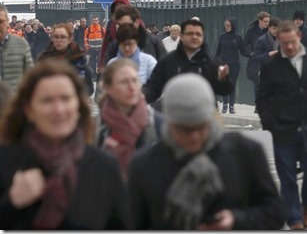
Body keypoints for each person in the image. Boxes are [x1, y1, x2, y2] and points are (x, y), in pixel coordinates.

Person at [128, 73, 285, 229]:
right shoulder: (145, 166)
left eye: (201, 127)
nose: (194, 137)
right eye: (185, 130)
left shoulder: (244, 153)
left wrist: (236, 220)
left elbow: (275, 213)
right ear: (169, 123)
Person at [0, 60, 131, 228]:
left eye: (66, 99)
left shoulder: (104, 167)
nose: (59, 109)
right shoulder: (6, 161)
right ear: (29, 109)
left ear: (78, 106)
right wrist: (12, 204)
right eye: (47, 101)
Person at [256, 21, 307, 230]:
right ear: (278, 41)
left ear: (298, 36)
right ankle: (294, 219)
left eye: (291, 42)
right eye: (283, 43)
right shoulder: (272, 65)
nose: (288, 47)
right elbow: (262, 98)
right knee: (287, 178)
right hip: (284, 130)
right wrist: (269, 123)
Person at [95, 58, 162, 179]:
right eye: (124, 82)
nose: (132, 87)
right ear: (108, 87)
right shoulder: (95, 127)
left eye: (135, 81)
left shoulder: (158, 124)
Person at [143, 18, 233, 107]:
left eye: (198, 34)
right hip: (176, 113)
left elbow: (225, 90)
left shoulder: (211, 62)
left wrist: (223, 79)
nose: (194, 37)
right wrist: (142, 96)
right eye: (190, 33)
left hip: (204, 115)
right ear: (181, 36)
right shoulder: (167, 61)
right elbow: (153, 88)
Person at [37, 23, 92, 97]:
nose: (59, 40)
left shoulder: (79, 58)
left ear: (69, 39)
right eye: (56, 37)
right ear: (52, 39)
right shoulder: (44, 59)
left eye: (63, 37)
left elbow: (88, 87)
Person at [215, 18, 250, 114]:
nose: (226, 27)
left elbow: (243, 51)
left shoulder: (237, 37)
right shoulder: (222, 36)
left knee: (232, 84)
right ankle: (225, 105)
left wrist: (251, 54)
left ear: (233, 26)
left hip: (234, 64)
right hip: (223, 64)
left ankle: (231, 106)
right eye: (225, 25)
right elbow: (218, 50)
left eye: (228, 25)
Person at [0, 5, 34, 101]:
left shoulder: (21, 44)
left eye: (1, 21)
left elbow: (29, 75)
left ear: (7, 23)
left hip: (14, 102)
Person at [84, 15, 105, 83]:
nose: (95, 21)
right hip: (91, 49)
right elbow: (85, 39)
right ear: (91, 21)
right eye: (93, 20)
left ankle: (100, 77)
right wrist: (87, 47)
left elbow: (105, 39)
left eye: (96, 20)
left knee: (100, 64)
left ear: (98, 21)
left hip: (100, 49)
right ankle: (93, 77)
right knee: (92, 64)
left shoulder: (102, 29)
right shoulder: (88, 29)